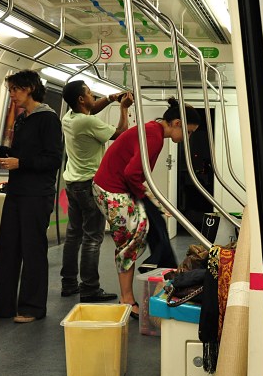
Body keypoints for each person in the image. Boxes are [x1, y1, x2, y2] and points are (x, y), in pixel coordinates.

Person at [92, 97, 200, 318]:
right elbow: (132, 173)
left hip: (112, 186)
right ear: (177, 123)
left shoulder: (153, 130)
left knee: (140, 230)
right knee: (130, 242)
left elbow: (136, 174)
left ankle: (130, 293)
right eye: (188, 132)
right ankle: (127, 299)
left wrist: (151, 201)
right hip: (112, 189)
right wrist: (146, 200)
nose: (188, 138)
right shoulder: (154, 137)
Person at [0, 70, 63, 323]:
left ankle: (33, 307)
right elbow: (22, 153)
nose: (12, 95)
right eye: (10, 90)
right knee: (8, 248)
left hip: (37, 194)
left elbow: (52, 159)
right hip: (17, 191)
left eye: (15, 89)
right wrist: (1, 149)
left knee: (33, 250)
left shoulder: (48, 119)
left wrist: (20, 163)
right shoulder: (23, 119)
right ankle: (3, 305)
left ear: (30, 88)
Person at [60, 81, 133, 301]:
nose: (93, 97)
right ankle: (90, 288)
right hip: (89, 185)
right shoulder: (87, 122)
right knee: (93, 237)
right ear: (81, 99)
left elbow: (91, 108)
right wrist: (123, 108)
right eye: (90, 93)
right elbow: (121, 133)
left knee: (74, 235)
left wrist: (110, 98)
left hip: (72, 183)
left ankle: (68, 283)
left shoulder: (69, 118)